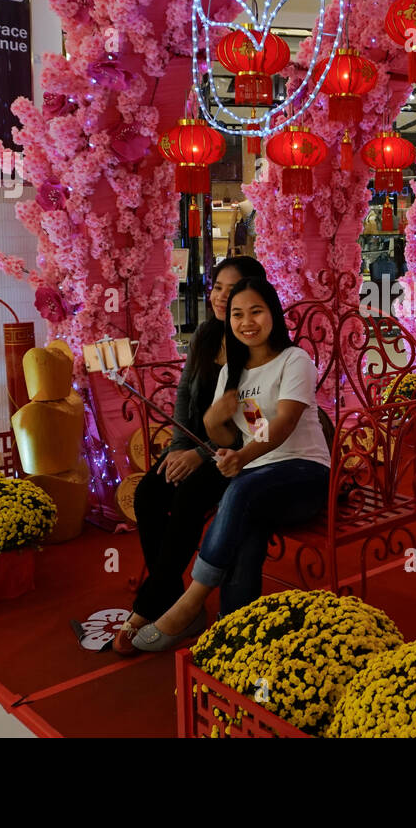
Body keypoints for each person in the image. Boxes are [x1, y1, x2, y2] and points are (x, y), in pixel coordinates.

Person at [132, 277, 331, 651]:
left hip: (305, 475)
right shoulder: (233, 373)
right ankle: (234, 634)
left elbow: (283, 426)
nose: (246, 321)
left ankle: (189, 601)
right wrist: (213, 425)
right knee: (247, 528)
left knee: (238, 491)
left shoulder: (294, 360)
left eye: (256, 311)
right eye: (237, 314)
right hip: (260, 485)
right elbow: (256, 428)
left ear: (273, 312)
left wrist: (241, 458)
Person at [112, 256, 267, 655]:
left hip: (238, 454)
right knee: (149, 493)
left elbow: (253, 425)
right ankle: (171, 600)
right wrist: (181, 449)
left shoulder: (253, 344)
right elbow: (184, 396)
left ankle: (150, 608)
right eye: (217, 287)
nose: (220, 297)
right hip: (194, 447)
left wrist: (202, 455)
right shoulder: (204, 335)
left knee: (186, 499)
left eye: (231, 290)